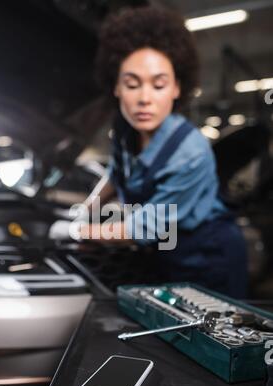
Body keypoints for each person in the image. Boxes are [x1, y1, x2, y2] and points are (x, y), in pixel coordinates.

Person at [50, 6, 247, 298]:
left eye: (158, 85)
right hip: (166, 250)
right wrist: (85, 212)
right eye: (132, 84)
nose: (144, 99)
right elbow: (117, 173)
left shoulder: (190, 152)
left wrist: (76, 232)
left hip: (208, 257)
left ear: (177, 88)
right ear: (116, 88)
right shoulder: (124, 130)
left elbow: (144, 229)